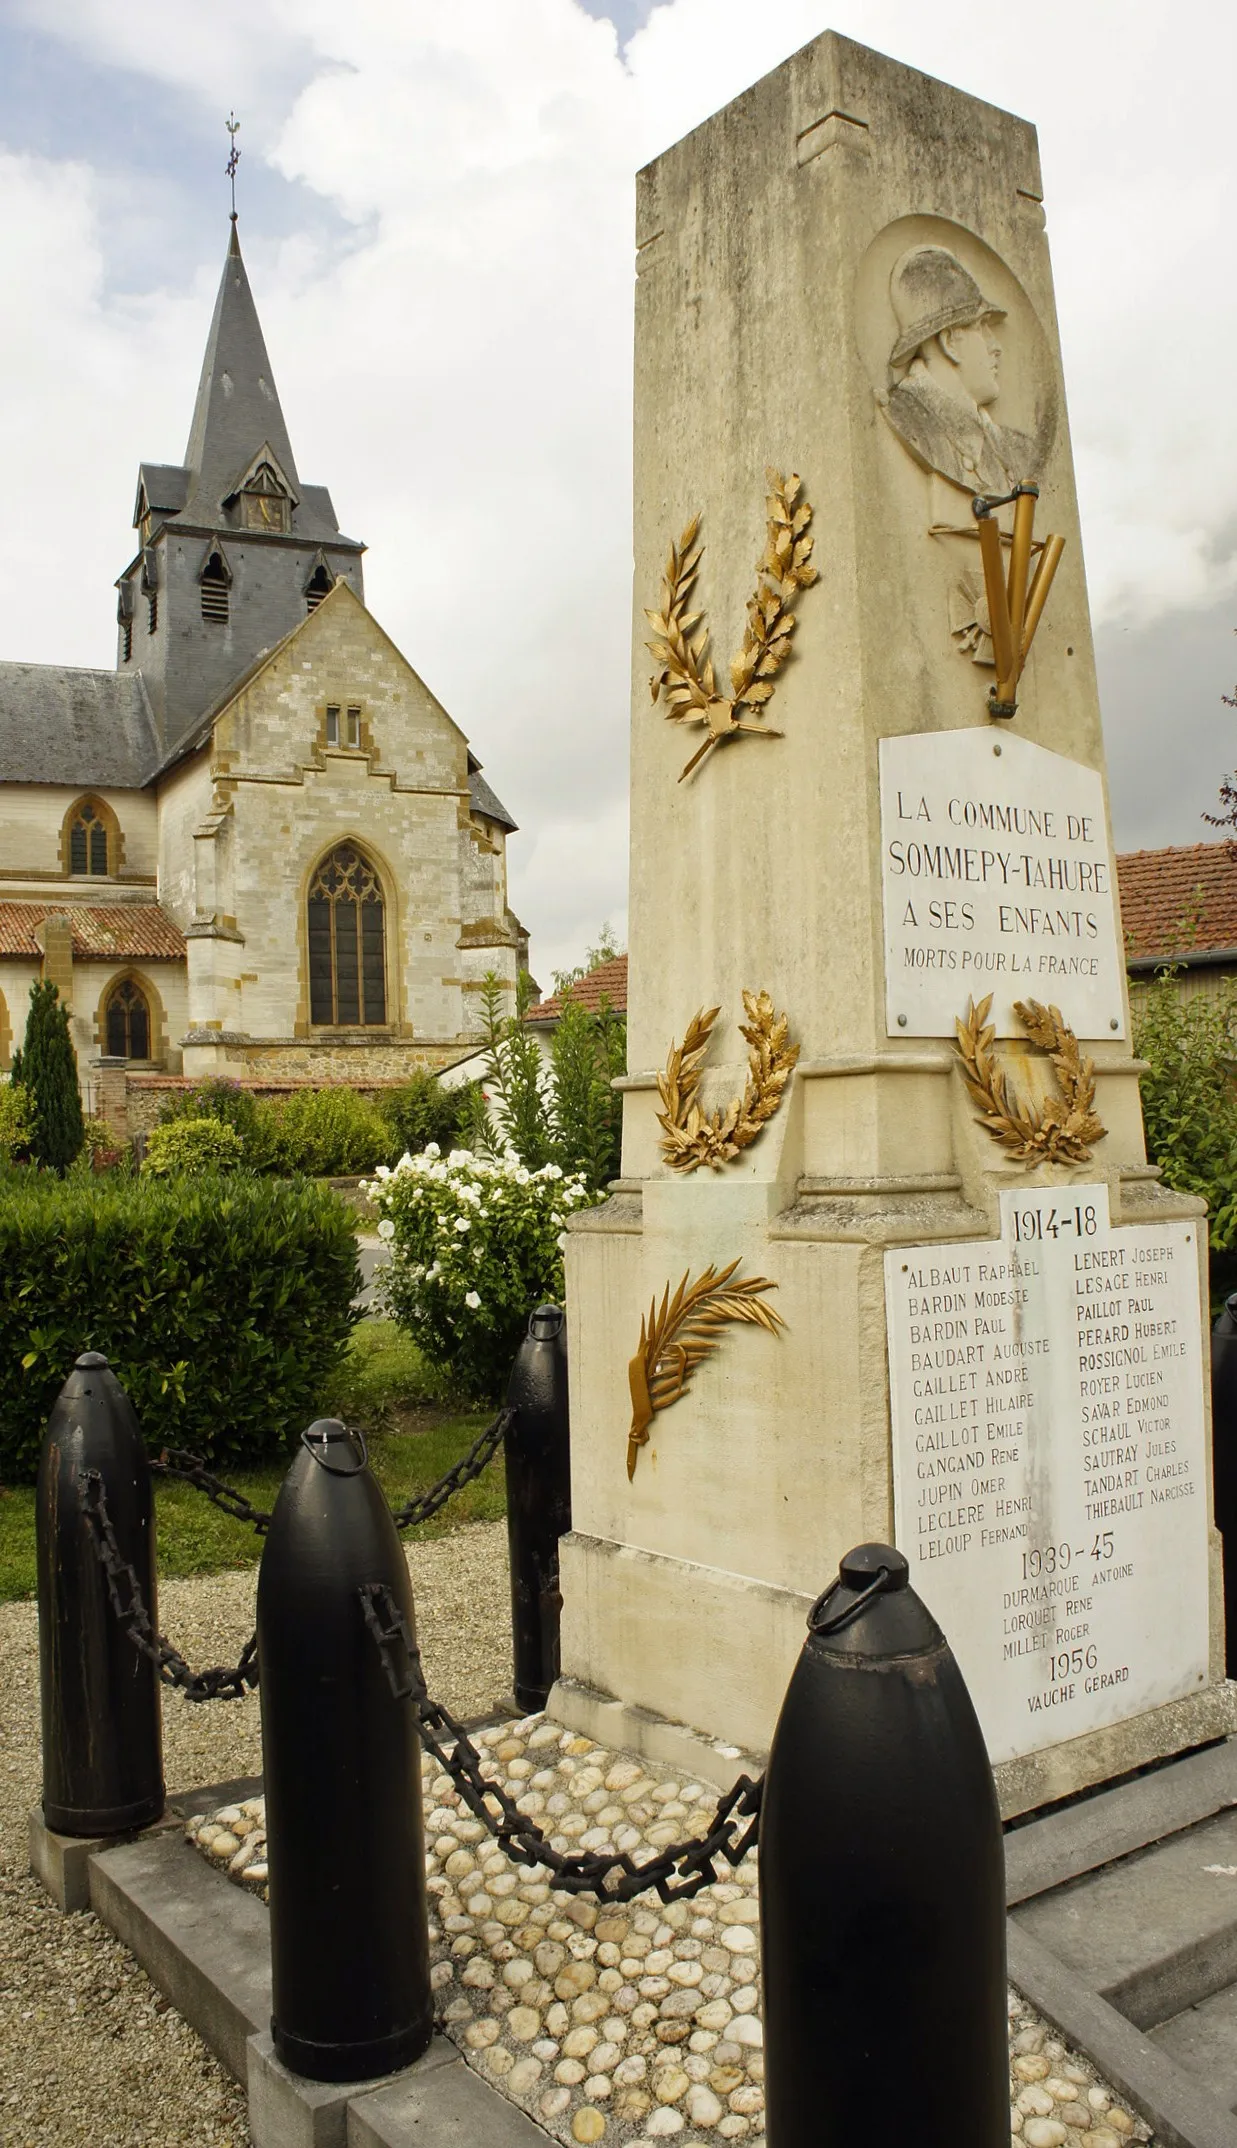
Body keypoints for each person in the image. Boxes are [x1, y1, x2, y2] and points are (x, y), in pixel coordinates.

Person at [882, 244, 1041, 495]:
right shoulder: (906, 421)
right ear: (949, 343)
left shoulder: (1012, 447)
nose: (995, 346)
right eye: (980, 327)